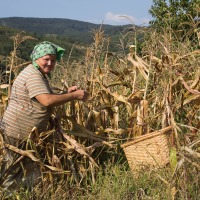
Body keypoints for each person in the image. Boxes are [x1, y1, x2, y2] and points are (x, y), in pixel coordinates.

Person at [0, 41, 89, 193]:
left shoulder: (37, 73)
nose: (49, 63)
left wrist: (66, 93)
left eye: (53, 60)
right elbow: (47, 101)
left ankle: (26, 194)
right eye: (46, 59)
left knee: (23, 169)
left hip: (24, 133)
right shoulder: (33, 75)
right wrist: (73, 95)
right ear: (36, 58)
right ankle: (9, 194)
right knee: (14, 171)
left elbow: (43, 98)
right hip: (18, 133)